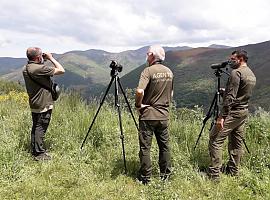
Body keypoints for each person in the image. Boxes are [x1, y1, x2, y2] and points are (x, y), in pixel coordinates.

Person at [208, 50, 256, 180]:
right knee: (236, 142)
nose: (230, 61)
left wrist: (222, 116)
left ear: (240, 59)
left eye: (233, 59)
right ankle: (233, 171)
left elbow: (230, 98)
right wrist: (227, 91)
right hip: (243, 112)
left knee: (215, 139)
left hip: (232, 112)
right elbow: (241, 94)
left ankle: (214, 175)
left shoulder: (236, 73)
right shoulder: (251, 74)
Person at [135, 45, 174, 184]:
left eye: (147, 53)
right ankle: (166, 176)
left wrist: (138, 105)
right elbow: (171, 93)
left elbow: (140, 91)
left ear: (152, 55)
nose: (146, 55)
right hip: (163, 115)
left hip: (148, 115)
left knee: (146, 147)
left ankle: (146, 177)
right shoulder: (169, 71)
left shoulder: (148, 71)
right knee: (164, 146)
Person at [22, 47, 65, 161]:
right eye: (41, 55)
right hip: (43, 104)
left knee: (36, 127)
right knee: (41, 128)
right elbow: (61, 70)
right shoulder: (38, 69)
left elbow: (37, 66)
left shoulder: (27, 68)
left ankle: (35, 150)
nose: (43, 57)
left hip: (35, 103)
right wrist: (51, 58)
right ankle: (39, 155)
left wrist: (42, 59)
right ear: (37, 57)